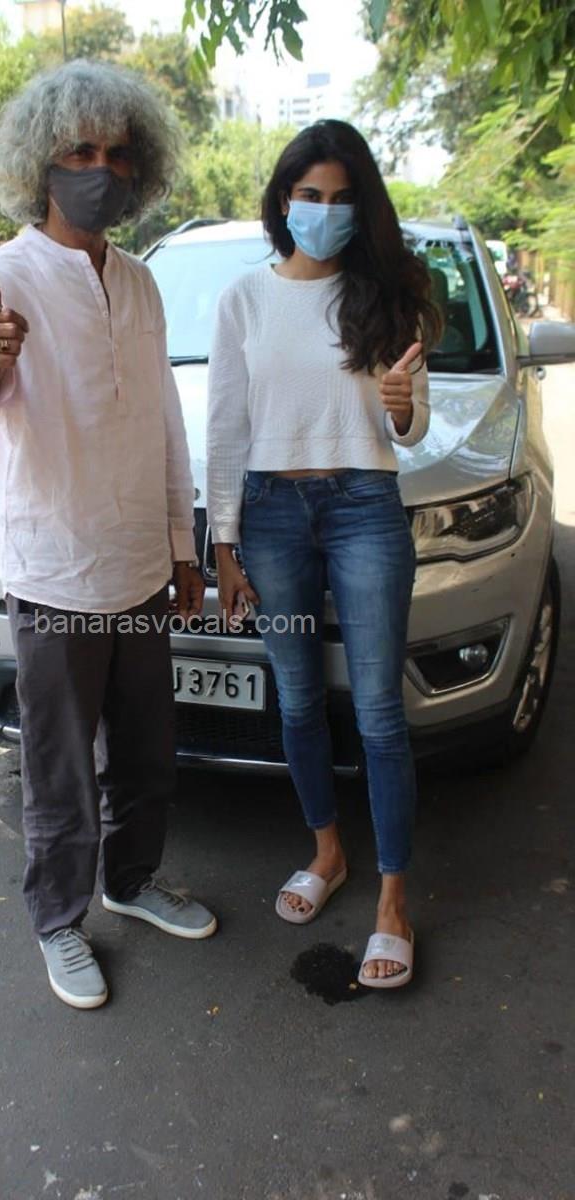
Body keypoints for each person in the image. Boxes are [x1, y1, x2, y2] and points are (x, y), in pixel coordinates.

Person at [0, 61, 216, 1011]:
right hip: (53, 578)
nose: (100, 170)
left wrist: (182, 549)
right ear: (39, 165)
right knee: (60, 773)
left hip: (140, 572)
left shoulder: (141, 284)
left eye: (117, 154)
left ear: (140, 169)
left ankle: (131, 882)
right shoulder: (1, 279)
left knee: (148, 755)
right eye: (79, 151)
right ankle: (58, 920)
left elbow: (165, 424)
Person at [207, 120, 441, 990]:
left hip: (364, 509)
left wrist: (401, 402)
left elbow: (408, 430)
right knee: (299, 699)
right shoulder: (243, 299)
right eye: (310, 195)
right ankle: (328, 853)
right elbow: (225, 424)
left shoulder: (384, 297)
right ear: (283, 200)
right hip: (271, 515)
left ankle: (393, 902)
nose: (324, 211)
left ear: (361, 207)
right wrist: (223, 543)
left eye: (342, 199)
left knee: (378, 713)